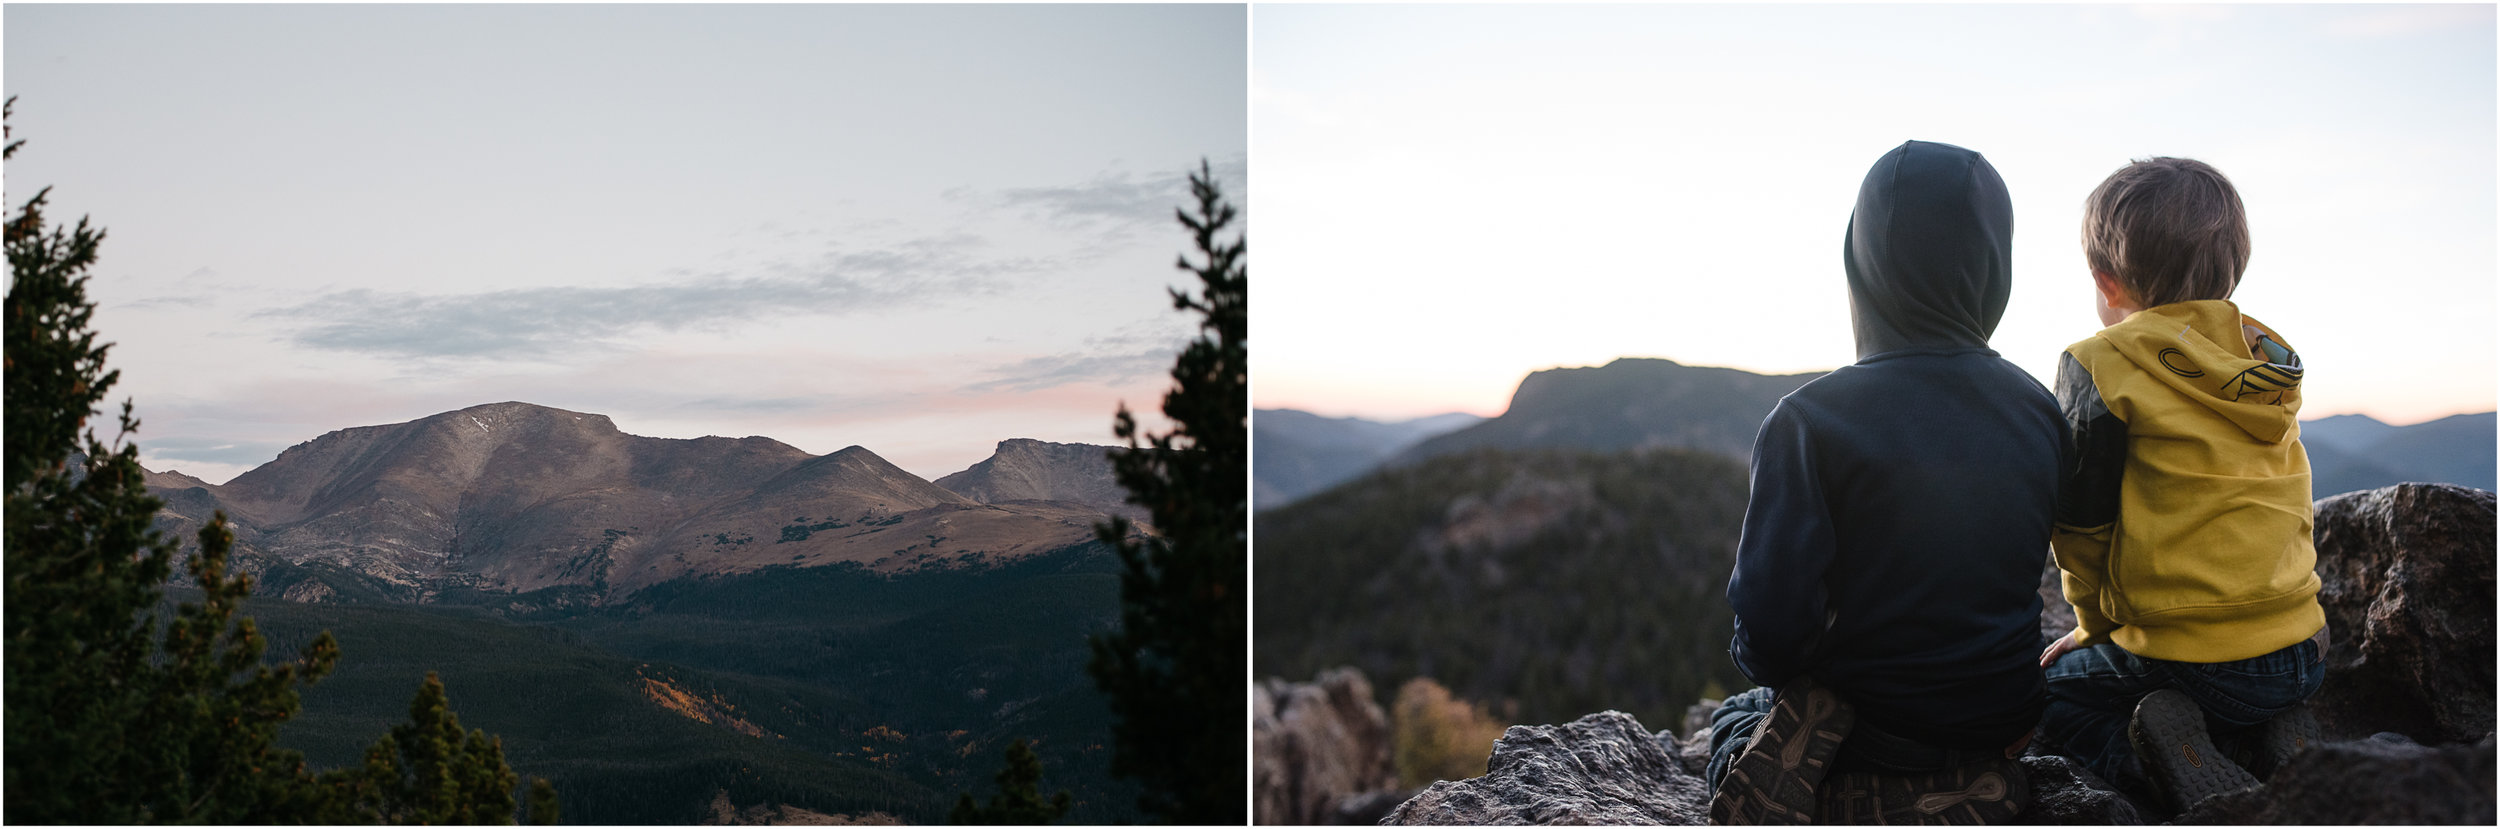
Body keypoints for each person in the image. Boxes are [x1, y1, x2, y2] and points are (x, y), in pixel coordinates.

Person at [1706, 140, 2058, 824]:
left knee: (1733, 722)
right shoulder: (2038, 407)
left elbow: (1772, 630)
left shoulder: (1808, 421)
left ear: (1860, 265)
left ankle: (1843, 790)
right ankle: (1963, 783)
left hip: (1875, 723)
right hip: (2003, 711)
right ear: (1995, 267)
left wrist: (1789, 671)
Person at [2035, 156, 2326, 812]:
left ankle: (2162, 759)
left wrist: (2094, 624)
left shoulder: (2100, 361)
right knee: (2226, 691)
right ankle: (2271, 734)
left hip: (2191, 658)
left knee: (2053, 696)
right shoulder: (2261, 359)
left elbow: (2079, 522)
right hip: (2299, 654)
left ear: (2105, 280)